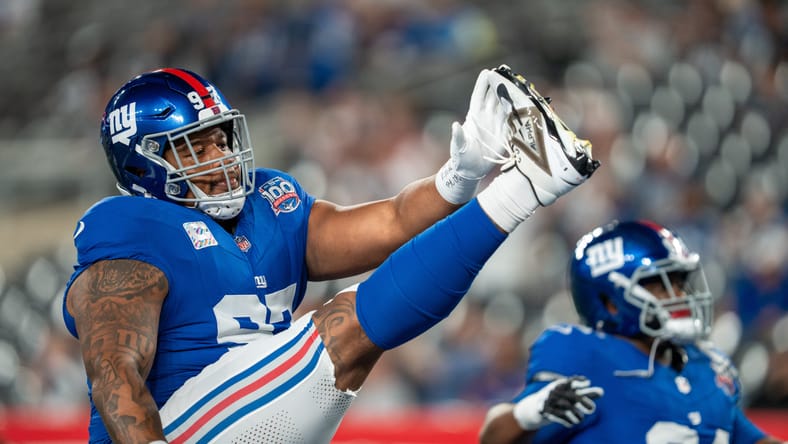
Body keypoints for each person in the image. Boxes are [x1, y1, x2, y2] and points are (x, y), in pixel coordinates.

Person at [62, 64, 599, 443]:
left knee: (352, 334)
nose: (220, 157)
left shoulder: (266, 205)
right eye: (194, 149)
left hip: (260, 415)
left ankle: (518, 184)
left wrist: (460, 176)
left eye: (222, 139)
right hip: (177, 427)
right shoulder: (131, 230)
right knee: (343, 326)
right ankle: (528, 187)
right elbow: (115, 369)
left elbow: (390, 221)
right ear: (141, 166)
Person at [479, 220, 786, 444]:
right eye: (661, 286)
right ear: (610, 302)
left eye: (679, 283)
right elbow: (494, 437)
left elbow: (745, 437)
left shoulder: (706, 362)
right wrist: (531, 411)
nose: (678, 296)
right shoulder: (586, 356)